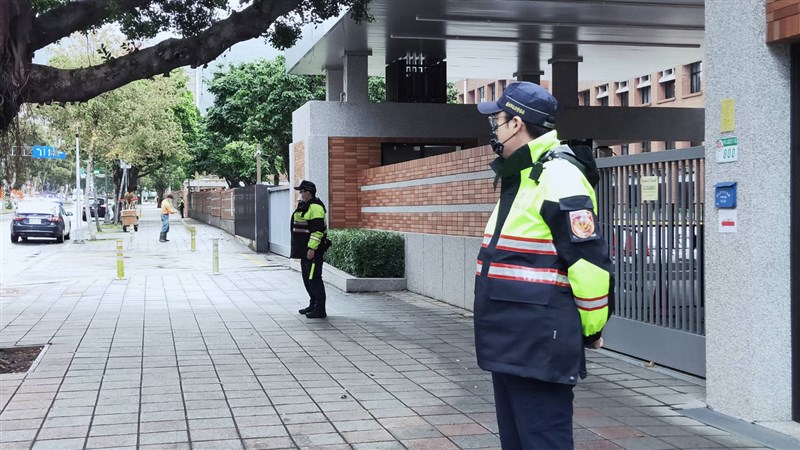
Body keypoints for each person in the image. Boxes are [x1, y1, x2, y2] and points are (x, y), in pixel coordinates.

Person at [473, 82, 614, 449]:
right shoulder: (523, 176)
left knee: (542, 440)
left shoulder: (558, 175)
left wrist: (590, 329)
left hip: (538, 341)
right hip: (512, 339)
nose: (495, 129)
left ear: (516, 124)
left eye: (498, 120)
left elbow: (589, 264)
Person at [290, 180, 328, 319]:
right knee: (307, 278)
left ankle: (320, 309)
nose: (300, 194)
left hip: (313, 251)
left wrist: (312, 249)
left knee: (314, 278)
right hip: (304, 251)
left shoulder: (316, 207)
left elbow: (317, 231)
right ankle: (313, 304)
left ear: (309, 192)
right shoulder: (306, 206)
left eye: (302, 191)